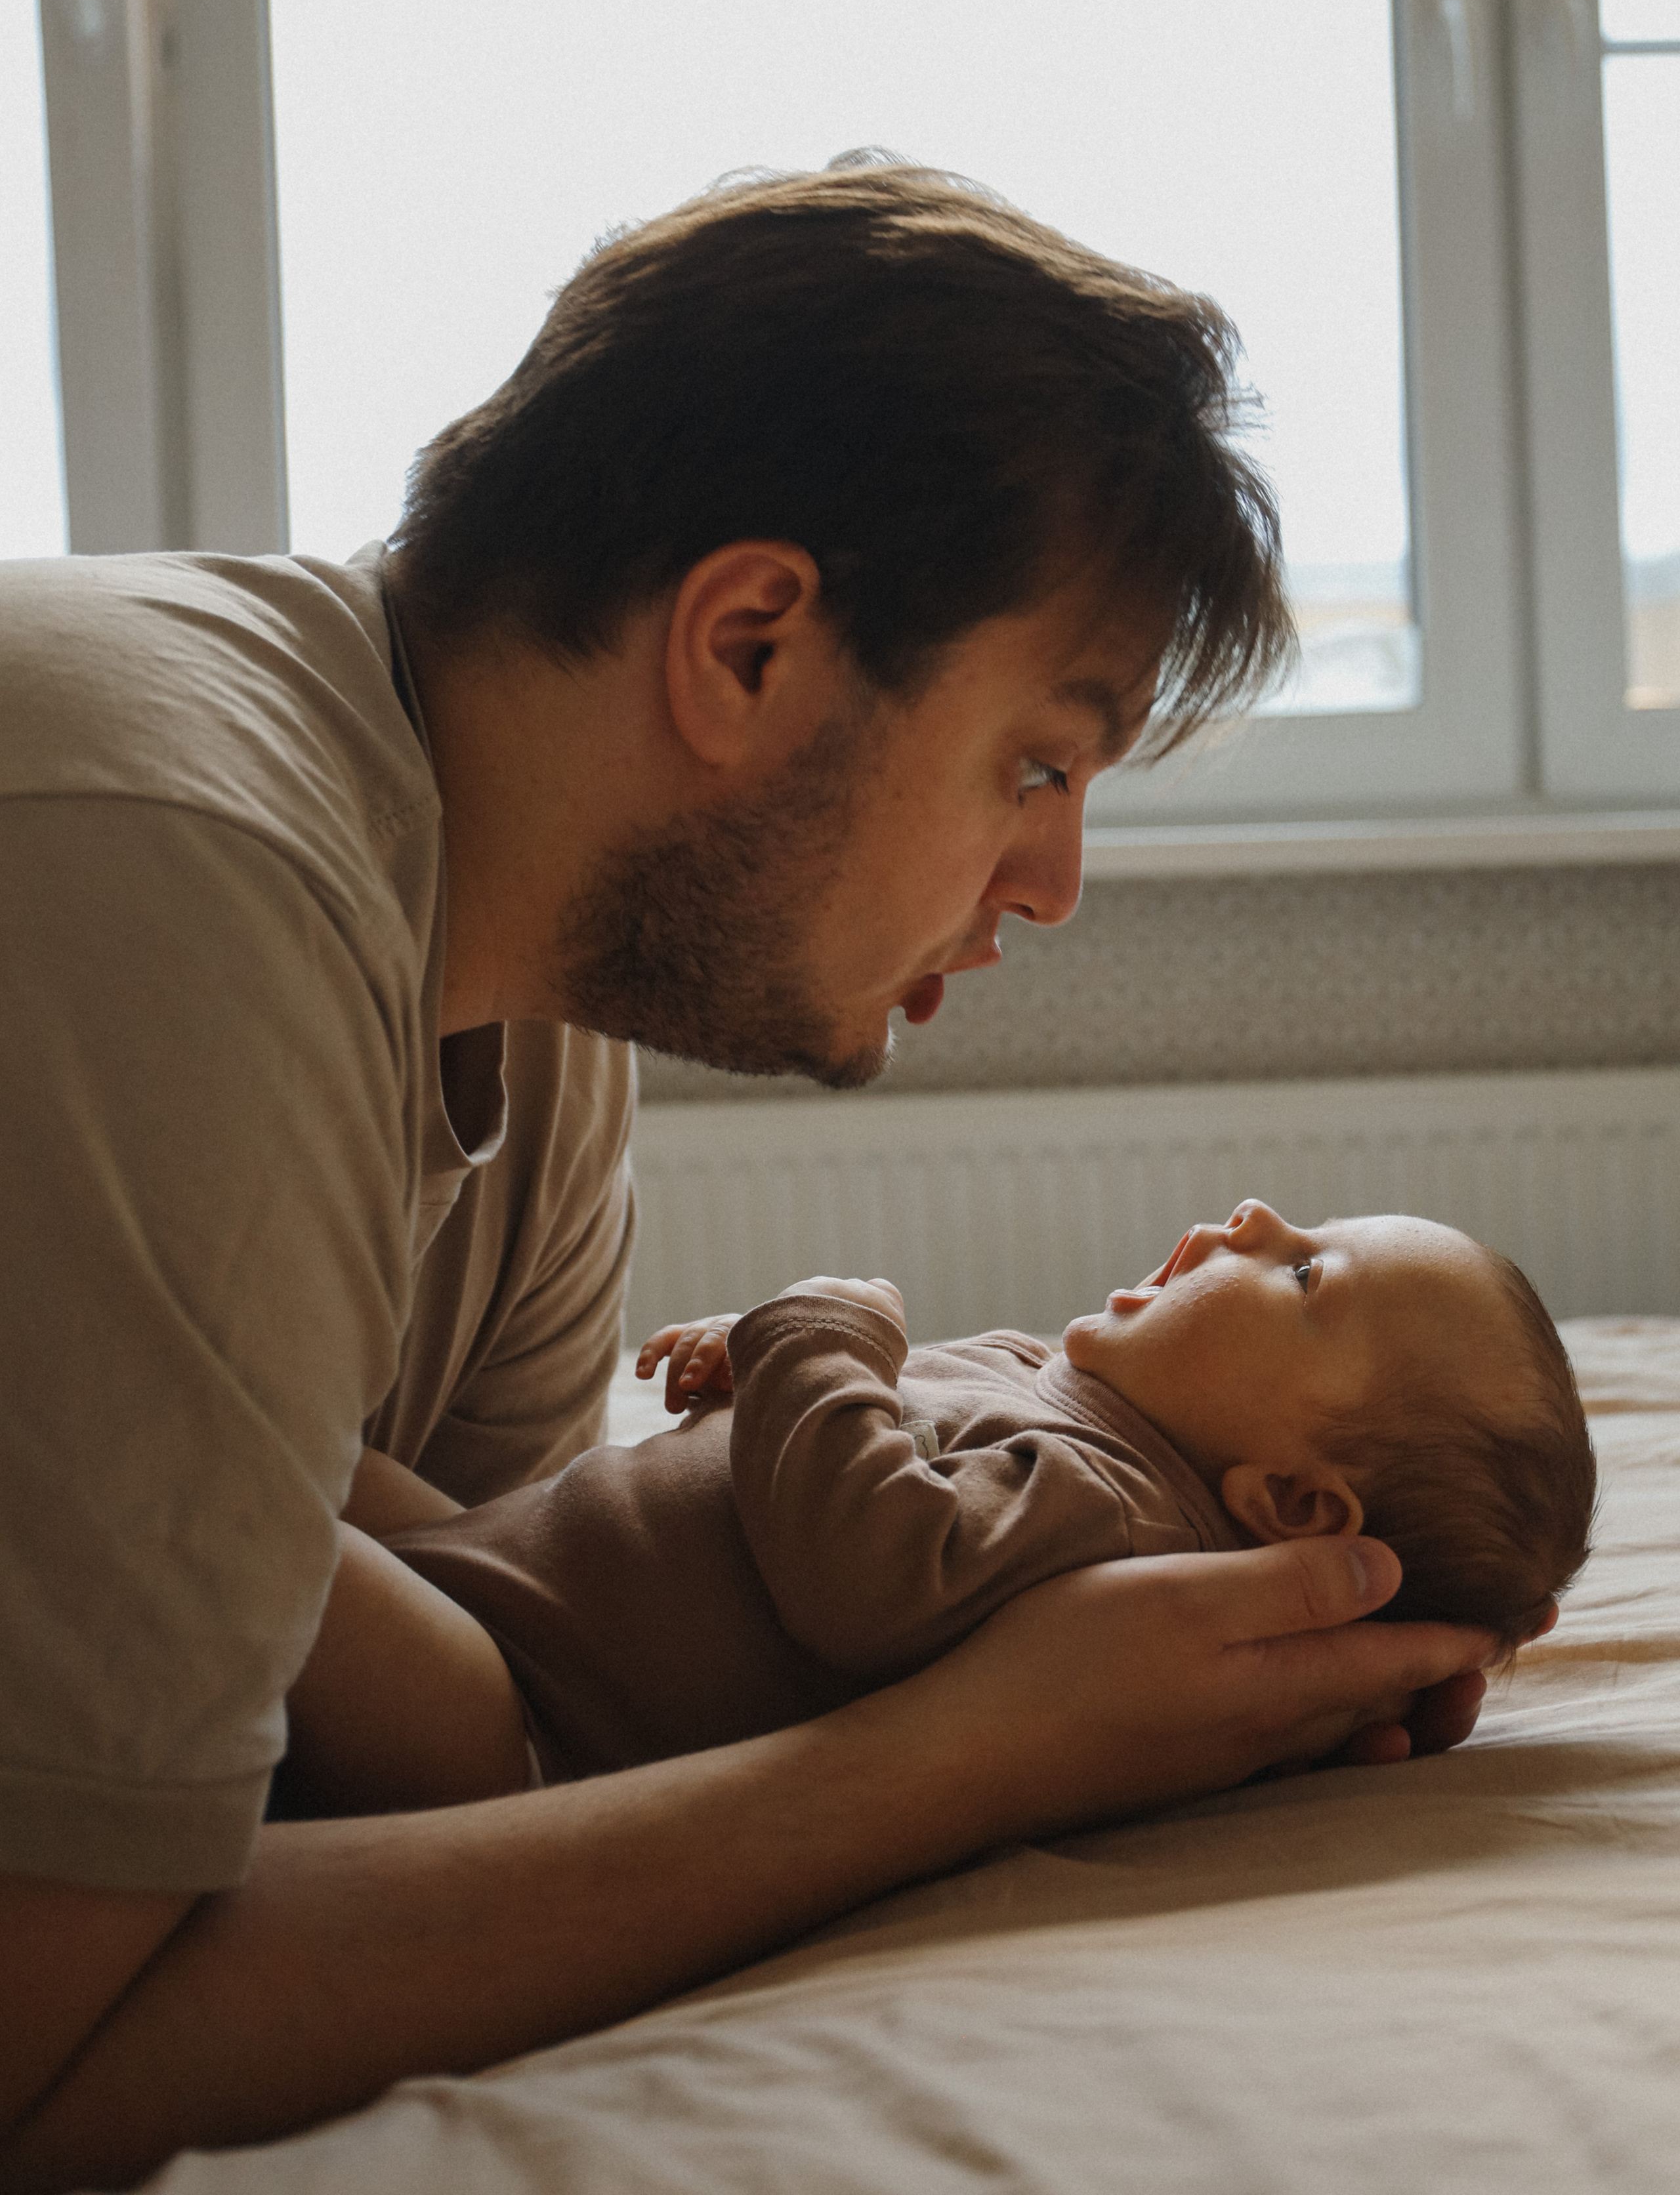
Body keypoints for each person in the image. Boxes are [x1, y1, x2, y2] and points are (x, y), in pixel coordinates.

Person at [0, 163, 1501, 2194]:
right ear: (753, 643)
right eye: (1041, 763)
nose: (1054, 884)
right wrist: (971, 1757)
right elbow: (49, 2063)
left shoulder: (534, 1009)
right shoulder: (174, 880)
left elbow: (464, 1722)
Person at [274, 1199, 1593, 1816]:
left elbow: (871, 1573)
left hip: (509, 1711)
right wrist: (753, 1379)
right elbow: (806, 1473)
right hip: (490, 1570)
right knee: (271, 1436)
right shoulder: (1077, 1403)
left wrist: (818, 1333)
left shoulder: (1112, 1514)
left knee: (226, 1503)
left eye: (1305, 1274)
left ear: (1296, 1500)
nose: (1251, 1217)